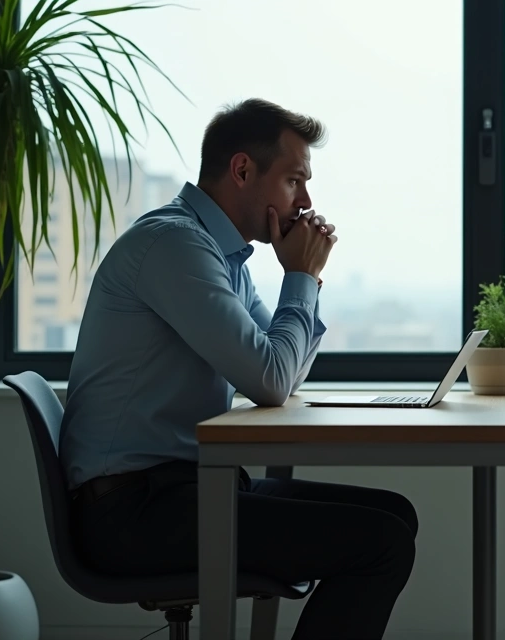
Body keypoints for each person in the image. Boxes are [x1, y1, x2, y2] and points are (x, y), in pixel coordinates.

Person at [60, 98, 417, 640]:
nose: (307, 199)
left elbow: (281, 371)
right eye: (295, 180)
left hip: (184, 489)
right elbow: (272, 381)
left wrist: (306, 281)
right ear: (244, 170)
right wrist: (300, 276)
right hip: (134, 512)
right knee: (381, 541)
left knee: (396, 517)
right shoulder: (175, 245)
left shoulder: (222, 256)